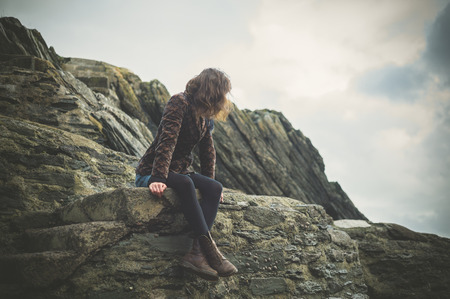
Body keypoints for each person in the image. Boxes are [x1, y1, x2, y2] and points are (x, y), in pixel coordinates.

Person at [135, 68, 238, 281]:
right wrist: (157, 178)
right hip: (152, 171)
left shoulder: (204, 115)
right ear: (213, 90)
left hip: (181, 170)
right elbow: (167, 140)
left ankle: (196, 254)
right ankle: (212, 254)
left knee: (215, 188)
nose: (224, 98)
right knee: (185, 183)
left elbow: (208, 151)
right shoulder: (179, 102)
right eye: (222, 93)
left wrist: (209, 181)